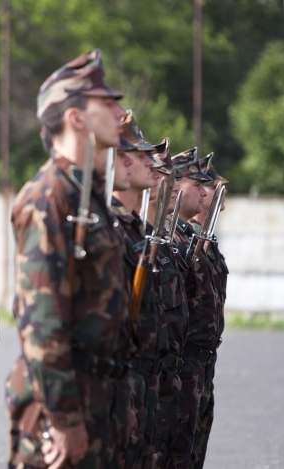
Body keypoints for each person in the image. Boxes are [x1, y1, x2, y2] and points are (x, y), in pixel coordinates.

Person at [7, 48, 130, 469]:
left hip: (93, 391)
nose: (120, 112)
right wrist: (64, 418)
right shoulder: (48, 197)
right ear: (76, 117)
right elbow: (41, 320)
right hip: (61, 403)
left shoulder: (85, 194)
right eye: (107, 103)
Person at [110, 111, 167, 469]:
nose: (153, 162)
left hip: (146, 378)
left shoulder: (137, 232)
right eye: (141, 155)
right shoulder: (106, 230)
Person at [168, 149, 219, 469]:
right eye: (196, 183)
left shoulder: (187, 239)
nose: (205, 190)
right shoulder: (171, 242)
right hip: (177, 364)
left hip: (198, 361)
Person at [145, 140, 190, 469]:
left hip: (173, 367)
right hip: (140, 374)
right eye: (163, 172)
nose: (171, 181)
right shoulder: (130, 238)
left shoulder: (167, 240)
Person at [188, 153, 229, 469]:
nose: (218, 200)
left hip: (203, 358)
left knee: (191, 451)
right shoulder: (183, 242)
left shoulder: (207, 243)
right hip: (182, 361)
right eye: (209, 188)